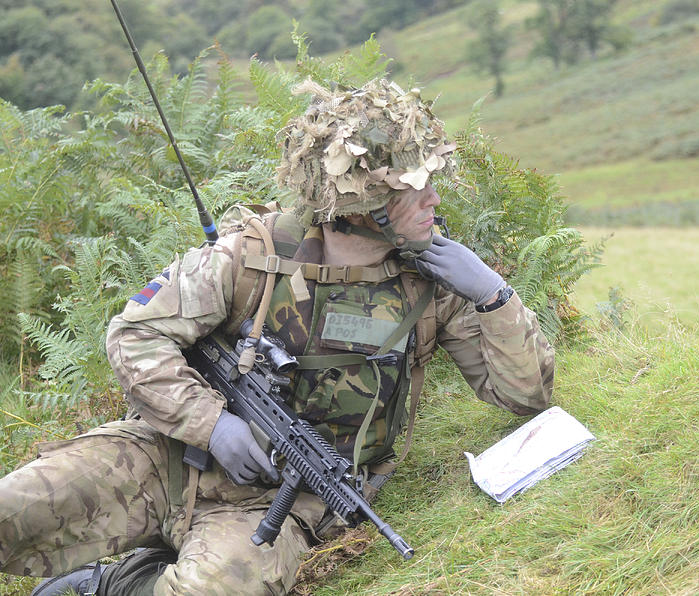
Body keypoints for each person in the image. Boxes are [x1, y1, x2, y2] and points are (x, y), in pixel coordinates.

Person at [0, 78, 554, 595]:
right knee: (14, 506)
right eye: (416, 189)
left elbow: (524, 396)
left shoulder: (434, 285)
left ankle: (117, 582)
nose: (434, 199)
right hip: (165, 455)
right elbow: (135, 335)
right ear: (365, 209)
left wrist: (494, 295)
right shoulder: (253, 255)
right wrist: (211, 425)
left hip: (283, 502)